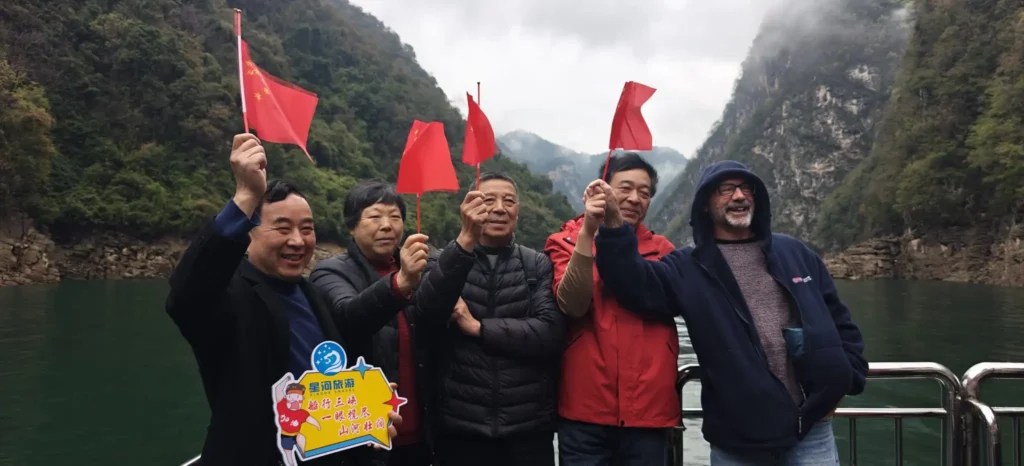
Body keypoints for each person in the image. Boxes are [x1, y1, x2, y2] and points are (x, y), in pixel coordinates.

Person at [591, 160, 868, 466]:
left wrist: (846, 380)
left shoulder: (795, 253)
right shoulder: (687, 267)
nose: (738, 196)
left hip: (813, 428)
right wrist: (613, 227)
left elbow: (842, 323)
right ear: (706, 204)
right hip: (739, 438)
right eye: (726, 189)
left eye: (745, 188)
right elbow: (632, 282)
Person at [165, 133, 401, 466]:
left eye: (307, 228)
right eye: (282, 228)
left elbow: (333, 389)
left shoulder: (311, 294)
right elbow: (186, 296)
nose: (297, 240)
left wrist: (369, 419)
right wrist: (246, 196)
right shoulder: (228, 295)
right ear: (249, 232)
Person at [412, 172, 567, 466]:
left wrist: (478, 328)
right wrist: (466, 239)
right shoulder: (441, 260)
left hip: (528, 431)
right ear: (469, 207)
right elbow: (427, 316)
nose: (499, 208)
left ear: (518, 212)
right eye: (488, 200)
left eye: (509, 201)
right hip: (460, 429)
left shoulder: (537, 265)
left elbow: (549, 333)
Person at [543, 153, 678, 465]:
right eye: (625, 188)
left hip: (649, 411)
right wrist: (588, 233)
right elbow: (572, 305)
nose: (633, 199)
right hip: (585, 409)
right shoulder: (564, 241)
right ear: (603, 189)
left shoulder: (664, 250)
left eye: (644, 193)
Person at [310, 180, 434, 466]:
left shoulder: (422, 267)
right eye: (375, 216)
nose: (387, 225)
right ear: (352, 226)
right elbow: (349, 316)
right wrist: (401, 283)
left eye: (395, 217)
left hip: (425, 435)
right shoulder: (329, 272)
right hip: (366, 438)